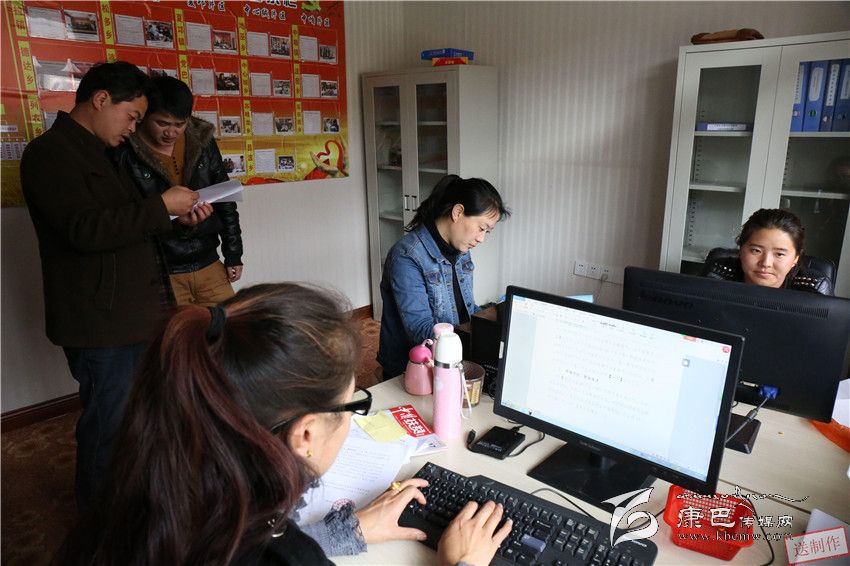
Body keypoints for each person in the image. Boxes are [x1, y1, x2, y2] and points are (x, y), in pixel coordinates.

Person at [55, 283, 511, 565]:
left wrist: (344, 530)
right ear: (305, 434)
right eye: (351, 405)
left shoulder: (139, 499)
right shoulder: (282, 555)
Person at [20, 61, 210, 512]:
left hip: (135, 314)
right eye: (131, 117)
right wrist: (160, 205)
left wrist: (175, 219)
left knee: (139, 419)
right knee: (108, 426)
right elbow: (84, 230)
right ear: (101, 99)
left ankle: (134, 506)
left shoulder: (104, 153)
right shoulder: (50, 154)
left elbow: (125, 225)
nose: (133, 128)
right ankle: (99, 525)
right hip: (100, 323)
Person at [116, 75, 244, 306]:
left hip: (209, 262)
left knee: (228, 324)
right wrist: (173, 218)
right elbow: (126, 216)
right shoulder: (125, 152)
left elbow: (226, 200)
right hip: (163, 270)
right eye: (162, 123)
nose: (171, 132)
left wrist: (233, 253)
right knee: (179, 329)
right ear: (144, 116)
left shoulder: (202, 141)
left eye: (179, 124)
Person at [378, 175, 509, 379]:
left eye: (487, 232)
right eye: (481, 228)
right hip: (414, 369)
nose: (481, 238)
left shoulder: (461, 250)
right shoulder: (407, 256)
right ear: (458, 212)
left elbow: (465, 310)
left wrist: (493, 318)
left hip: (456, 359)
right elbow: (421, 333)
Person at [702, 208, 833, 294]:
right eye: (756, 251)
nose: (766, 263)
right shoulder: (716, 274)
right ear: (741, 250)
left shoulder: (812, 289)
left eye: (779, 254)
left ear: (795, 258)